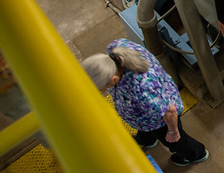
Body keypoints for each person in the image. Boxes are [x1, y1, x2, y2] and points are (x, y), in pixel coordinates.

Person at [81, 38, 209, 167]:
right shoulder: (116, 48)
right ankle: (147, 139)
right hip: (144, 116)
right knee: (146, 131)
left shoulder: (141, 90)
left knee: (177, 142)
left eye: (103, 87)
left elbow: (170, 111)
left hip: (161, 120)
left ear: (114, 79)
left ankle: (196, 154)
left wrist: (173, 132)